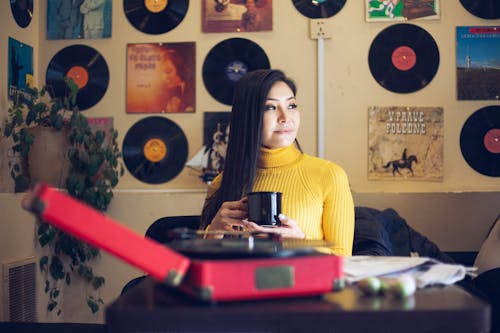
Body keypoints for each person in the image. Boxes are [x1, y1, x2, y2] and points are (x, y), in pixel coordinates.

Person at [200, 69, 355, 256]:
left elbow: (343, 260)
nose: (285, 118)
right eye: (270, 107)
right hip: (241, 284)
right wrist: (214, 232)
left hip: (304, 285)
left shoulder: (330, 175)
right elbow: (203, 268)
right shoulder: (222, 183)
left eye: (291, 106)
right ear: (248, 117)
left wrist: (301, 245)